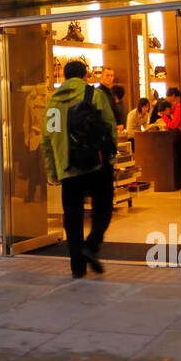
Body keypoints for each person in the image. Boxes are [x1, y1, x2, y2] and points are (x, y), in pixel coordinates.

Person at [40, 60, 118, 278]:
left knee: (72, 217)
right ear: (85, 75)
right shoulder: (94, 95)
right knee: (103, 208)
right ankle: (91, 245)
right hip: (96, 164)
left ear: (64, 77)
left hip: (68, 168)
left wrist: (53, 170)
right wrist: (110, 156)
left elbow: (47, 139)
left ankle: (77, 267)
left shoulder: (53, 102)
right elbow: (110, 126)